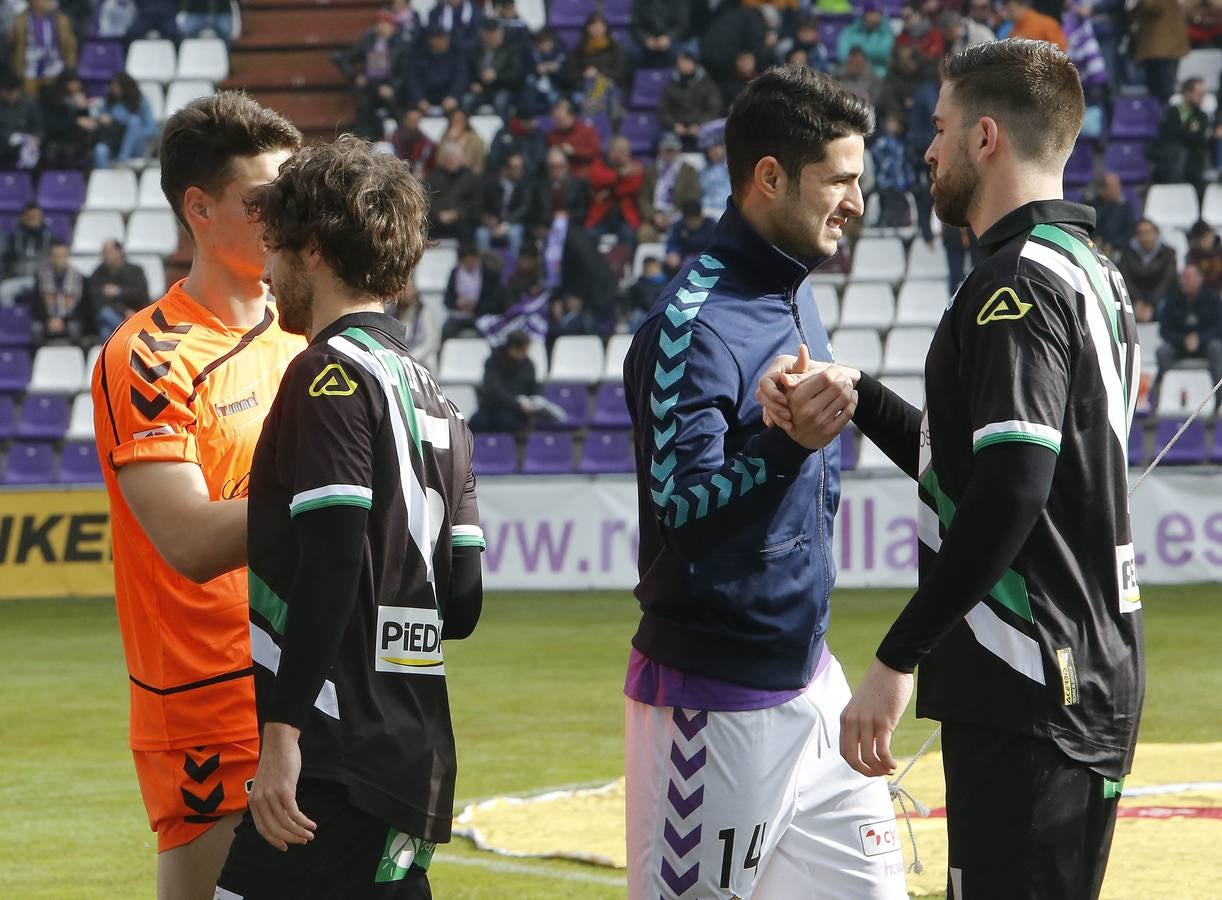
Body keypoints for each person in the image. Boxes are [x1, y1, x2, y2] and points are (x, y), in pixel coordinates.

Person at [762, 40, 1143, 900]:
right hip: (1077, 675)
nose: (926, 149)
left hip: (1031, 684)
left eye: (938, 128)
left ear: (984, 139)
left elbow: (1012, 490)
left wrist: (899, 658)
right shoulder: (1090, 270)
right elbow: (970, 468)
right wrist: (858, 394)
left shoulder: (1017, 285)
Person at [622, 64, 906, 900]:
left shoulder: (793, 292)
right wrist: (786, 448)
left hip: (815, 682)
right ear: (769, 177)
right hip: (711, 708)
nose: (857, 201)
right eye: (841, 180)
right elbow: (682, 510)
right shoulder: (691, 325)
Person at [215, 134, 485, 899]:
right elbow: (461, 605)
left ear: (316, 251)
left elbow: (332, 564)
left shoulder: (327, 373)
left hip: (336, 755)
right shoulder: (439, 398)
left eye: (277, 251)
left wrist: (283, 735)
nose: (267, 276)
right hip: (413, 749)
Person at [90, 92, 303, 900]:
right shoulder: (147, 355)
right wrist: (343, 497)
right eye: (262, 200)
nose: (282, 215)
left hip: (314, 683)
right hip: (208, 699)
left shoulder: (311, 336)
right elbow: (185, 537)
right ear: (199, 209)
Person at [332, 9, 411, 140]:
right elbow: (346, 58)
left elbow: (404, 73)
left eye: (385, 24)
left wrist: (393, 88)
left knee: (395, 112)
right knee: (364, 111)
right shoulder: (370, 41)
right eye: (379, 24)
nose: (381, 27)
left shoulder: (401, 45)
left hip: (393, 92)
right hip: (371, 89)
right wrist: (355, 75)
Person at [1155, 263, 1222, 404]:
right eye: (1183, 277)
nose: (1186, 281)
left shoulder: (1212, 297)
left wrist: (1199, 339)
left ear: (1200, 279)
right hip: (1180, 345)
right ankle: (1164, 401)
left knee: (1217, 349)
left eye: (1190, 277)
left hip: (1205, 345)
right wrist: (1184, 339)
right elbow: (1164, 330)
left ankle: (1218, 401)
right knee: (1162, 352)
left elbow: (1218, 327)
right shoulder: (1172, 299)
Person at [469, 328, 543, 432]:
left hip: (515, 411)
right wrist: (517, 404)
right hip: (493, 406)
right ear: (513, 348)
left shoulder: (528, 364)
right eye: (523, 350)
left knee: (506, 421)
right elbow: (494, 390)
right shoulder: (493, 362)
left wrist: (535, 402)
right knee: (478, 421)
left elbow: (533, 387)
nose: (526, 353)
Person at [1150, 77, 1211, 192]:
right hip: (1169, 160)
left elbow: (1198, 137)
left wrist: (1183, 132)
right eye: (1198, 93)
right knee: (1176, 152)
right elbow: (1168, 133)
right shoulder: (1172, 112)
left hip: (1193, 163)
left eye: (1203, 93)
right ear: (1187, 93)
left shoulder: (1202, 116)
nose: (1202, 97)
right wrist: (1189, 132)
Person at [639, 131, 701, 242]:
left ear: (678, 150)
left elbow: (693, 196)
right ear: (660, 150)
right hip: (655, 217)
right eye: (666, 150)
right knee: (645, 234)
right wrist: (654, 216)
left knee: (688, 233)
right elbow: (644, 198)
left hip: (681, 217)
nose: (669, 153)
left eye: (672, 150)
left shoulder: (689, 170)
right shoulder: (651, 170)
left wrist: (675, 216)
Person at [658, 49, 723, 151]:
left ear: (694, 63)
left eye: (685, 61)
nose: (682, 65)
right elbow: (663, 110)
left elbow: (714, 109)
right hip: (676, 129)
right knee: (664, 140)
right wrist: (674, 125)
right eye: (680, 62)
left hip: (701, 127)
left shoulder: (708, 85)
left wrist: (700, 125)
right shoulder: (670, 86)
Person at [586, 134, 645, 247]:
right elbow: (598, 179)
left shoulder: (636, 166)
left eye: (627, 150)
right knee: (589, 235)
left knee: (629, 235)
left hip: (624, 217)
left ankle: (624, 264)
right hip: (601, 216)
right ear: (611, 152)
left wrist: (610, 192)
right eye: (622, 150)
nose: (627, 153)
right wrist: (621, 174)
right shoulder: (598, 164)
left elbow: (633, 186)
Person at [10, 0, 77, 95]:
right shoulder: (20, 20)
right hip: (28, 76)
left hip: (57, 76)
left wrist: (71, 75)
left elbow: (70, 48)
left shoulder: (61, 19)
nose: (49, 2)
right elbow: (11, 48)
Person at [87, 238, 150, 338]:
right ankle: (130, 333)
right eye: (104, 252)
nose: (106, 256)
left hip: (135, 313)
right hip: (116, 315)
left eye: (109, 252)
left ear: (119, 252)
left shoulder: (135, 270)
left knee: (106, 330)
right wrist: (124, 311)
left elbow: (142, 294)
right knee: (105, 314)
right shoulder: (98, 274)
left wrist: (119, 292)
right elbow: (98, 301)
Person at [94, 71, 158, 168]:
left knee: (134, 121)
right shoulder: (110, 103)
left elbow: (151, 129)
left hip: (135, 144)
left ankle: (123, 159)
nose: (114, 88)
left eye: (118, 85)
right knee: (100, 150)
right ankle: (104, 180)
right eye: (113, 85)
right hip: (115, 141)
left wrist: (129, 131)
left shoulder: (140, 101)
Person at [442, 242, 506, 339]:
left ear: (477, 258)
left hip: (482, 315)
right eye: (465, 262)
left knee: (491, 331)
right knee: (447, 329)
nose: (469, 264)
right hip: (460, 315)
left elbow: (497, 302)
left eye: (471, 260)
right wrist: (457, 303)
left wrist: (476, 306)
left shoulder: (489, 273)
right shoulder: (455, 273)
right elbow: (447, 300)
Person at [1130, 0, 1190, 104]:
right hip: (1163, 46)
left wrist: (1136, 6)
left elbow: (1153, 6)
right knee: (1160, 91)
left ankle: (1162, 118)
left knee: (1161, 93)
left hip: (1161, 47)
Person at [476, 151, 532, 258]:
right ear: (505, 169)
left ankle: (515, 270)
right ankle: (485, 269)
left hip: (513, 223)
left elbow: (524, 208)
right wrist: (488, 219)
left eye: (520, 168)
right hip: (492, 225)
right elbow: (481, 207)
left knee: (514, 234)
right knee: (481, 234)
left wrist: (506, 225)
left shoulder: (525, 186)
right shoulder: (491, 185)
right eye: (514, 168)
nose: (518, 171)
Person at [466, 17, 525, 118]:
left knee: (501, 100)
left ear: (501, 33)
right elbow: (466, 71)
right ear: (483, 34)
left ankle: (504, 131)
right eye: (488, 33)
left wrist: (496, 76)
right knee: (467, 100)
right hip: (481, 90)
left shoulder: (511, 50)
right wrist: (472, 83)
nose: (492, 36)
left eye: (494, 33)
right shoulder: (474, 51)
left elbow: (517, 74)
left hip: (503, 88)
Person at [1118, 218, 1178, 314]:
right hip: (1134, 296)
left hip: (1158, 296)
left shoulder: (1168, 253)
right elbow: (1124, 278)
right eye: (1140, 232)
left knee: (1166, 305)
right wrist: (1137, 301)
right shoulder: (1127, 253)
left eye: (1148, 232)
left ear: (1156, 234)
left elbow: (1167, 281)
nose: (1144, 236)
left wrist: (1151, 303)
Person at [424, 142, 481, 241]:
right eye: (449, 158)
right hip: (437, 221)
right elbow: (427, 202)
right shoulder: (433, 177)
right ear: (444, 159)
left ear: (462, 159)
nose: (452, 161)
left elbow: (476, 205)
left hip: (463, 222)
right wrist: (438, 214)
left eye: (455, 158)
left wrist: (457, 214)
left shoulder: (471, 178)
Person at [32, 239, 85, 342]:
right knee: (36, 328)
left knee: (75, 327)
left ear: (67, 257)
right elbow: (36, 303)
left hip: (70, 318)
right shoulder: (41, 276)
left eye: (62, 256)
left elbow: (82, 306)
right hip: (47, 318)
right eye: (55, 256)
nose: (59, 259)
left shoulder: (78, 277)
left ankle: (77, 355)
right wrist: (49, 320)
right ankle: (38, 356)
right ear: (51, 257)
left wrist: (63, 321)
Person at [386, 278, 441, 373]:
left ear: (415, 290)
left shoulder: (424, 312)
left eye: (409, 289)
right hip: (398, 360)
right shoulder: (391, 313)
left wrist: (411, 357)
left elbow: (431, 342)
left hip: (420, 359)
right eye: (402, 290)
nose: (405, 293)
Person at [1, 202, 52, 305]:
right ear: (24, 217)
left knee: (50, 293)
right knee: (4, 291)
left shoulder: (50, 238)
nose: (34, 219)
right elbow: (6, 260)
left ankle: (44, 319)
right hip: (18, 278)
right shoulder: (14, 238)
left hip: (41, 279)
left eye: (37, 217)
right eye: (31, 217)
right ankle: (11, 318)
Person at [545, 98, 601, 180]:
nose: (559, 123)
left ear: (572, 117)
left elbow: (596, 153)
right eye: (556, 120)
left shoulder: (587, 130)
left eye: (561, 119)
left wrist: (574, 151)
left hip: (583, 174)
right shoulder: (552, 135)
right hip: (560, 176)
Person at [837, 0, 894, 77]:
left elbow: (885, 53)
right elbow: (843, 54)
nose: (875, 16)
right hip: (853, 72)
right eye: (872, 12)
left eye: (878, 12)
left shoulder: (887, 31)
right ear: (865, 14)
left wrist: (860, 54)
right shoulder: (851, 30)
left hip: (879, 74)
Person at [0, 68, 42, 169]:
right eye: (7, 93)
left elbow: (39, 126)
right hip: (3, 151)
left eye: (13, 93)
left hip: (27, 150)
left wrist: (36, 139)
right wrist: (11, 137)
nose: (11, 96)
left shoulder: (30, 102)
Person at [1090, 172, 1136, 259]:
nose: (1119, 190)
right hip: (1094, 246)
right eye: (1114, 188)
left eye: (1118, 187)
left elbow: (1130, 232)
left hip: (1119, 248)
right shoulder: (1091, 205)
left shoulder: (1125, 207)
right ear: (1103, 190)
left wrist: (1112, 244)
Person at [664, 199, 716, 271]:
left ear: (701, 216)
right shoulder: (679, 225)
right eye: (688, 220)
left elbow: (715, 246)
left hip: (707, 261)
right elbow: (673, 242)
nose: (691, 223)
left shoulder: (711, 226)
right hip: (683, 262)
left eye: (694, 219)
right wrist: (673, 252)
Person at [390, 107, 437, 177]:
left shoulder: (427, 144)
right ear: (404, 120)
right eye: (410, 121)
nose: (413, 124)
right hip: (393, 175)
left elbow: (432, 167)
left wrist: (424, 174)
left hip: (418, 179)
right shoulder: (392, 139)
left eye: (416, 121)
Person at [1004, 0, 1068, 48]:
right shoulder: (1014, 28)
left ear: (1023, 7)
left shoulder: (1046, 23)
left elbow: (1062, 47)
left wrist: (1031, 44)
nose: (1008, 15)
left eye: (1011, 11)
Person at [1187, 220, 1222, 290]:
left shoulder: (1219, 253)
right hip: (1202, 292)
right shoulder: (1193, 255)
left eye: (1207, 236)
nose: (1206, 240)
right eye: (1201, 238)